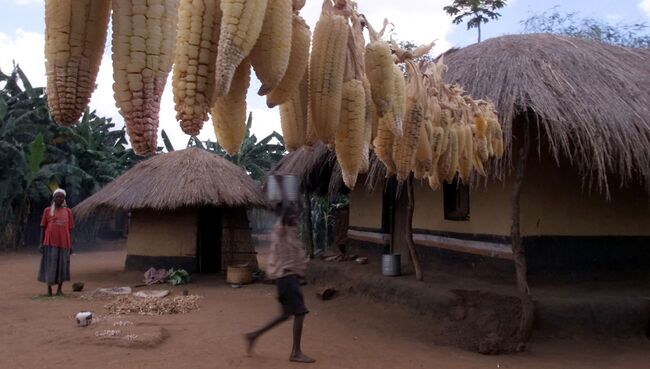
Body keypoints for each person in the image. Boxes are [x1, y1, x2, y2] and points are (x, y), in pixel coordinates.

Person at [245, 202, 315, 363]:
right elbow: (284, 216)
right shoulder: (281, 229)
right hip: (287, 279)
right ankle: (296, 352)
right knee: (300, 313)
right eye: (292, 215)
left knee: (284, 315)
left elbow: (298, 212)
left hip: (289, 280)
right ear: (284, 216)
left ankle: (254, 335)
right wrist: (285, 205)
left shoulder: (290, 231)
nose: (296, 218)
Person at [38, 188, 74, 296]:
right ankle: (49, 290)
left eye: (61, 197)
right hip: (50, 243)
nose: (59, 198)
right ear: (54, 198)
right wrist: (41, 243)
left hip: (64, 243)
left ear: (64, 199)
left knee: (62, 266)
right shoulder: (47, 210)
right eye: (57, 196)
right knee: (50, 265)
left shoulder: (68, 212)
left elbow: (70, 229)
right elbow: (43, 227)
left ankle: (59, 289)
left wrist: (70, 245)